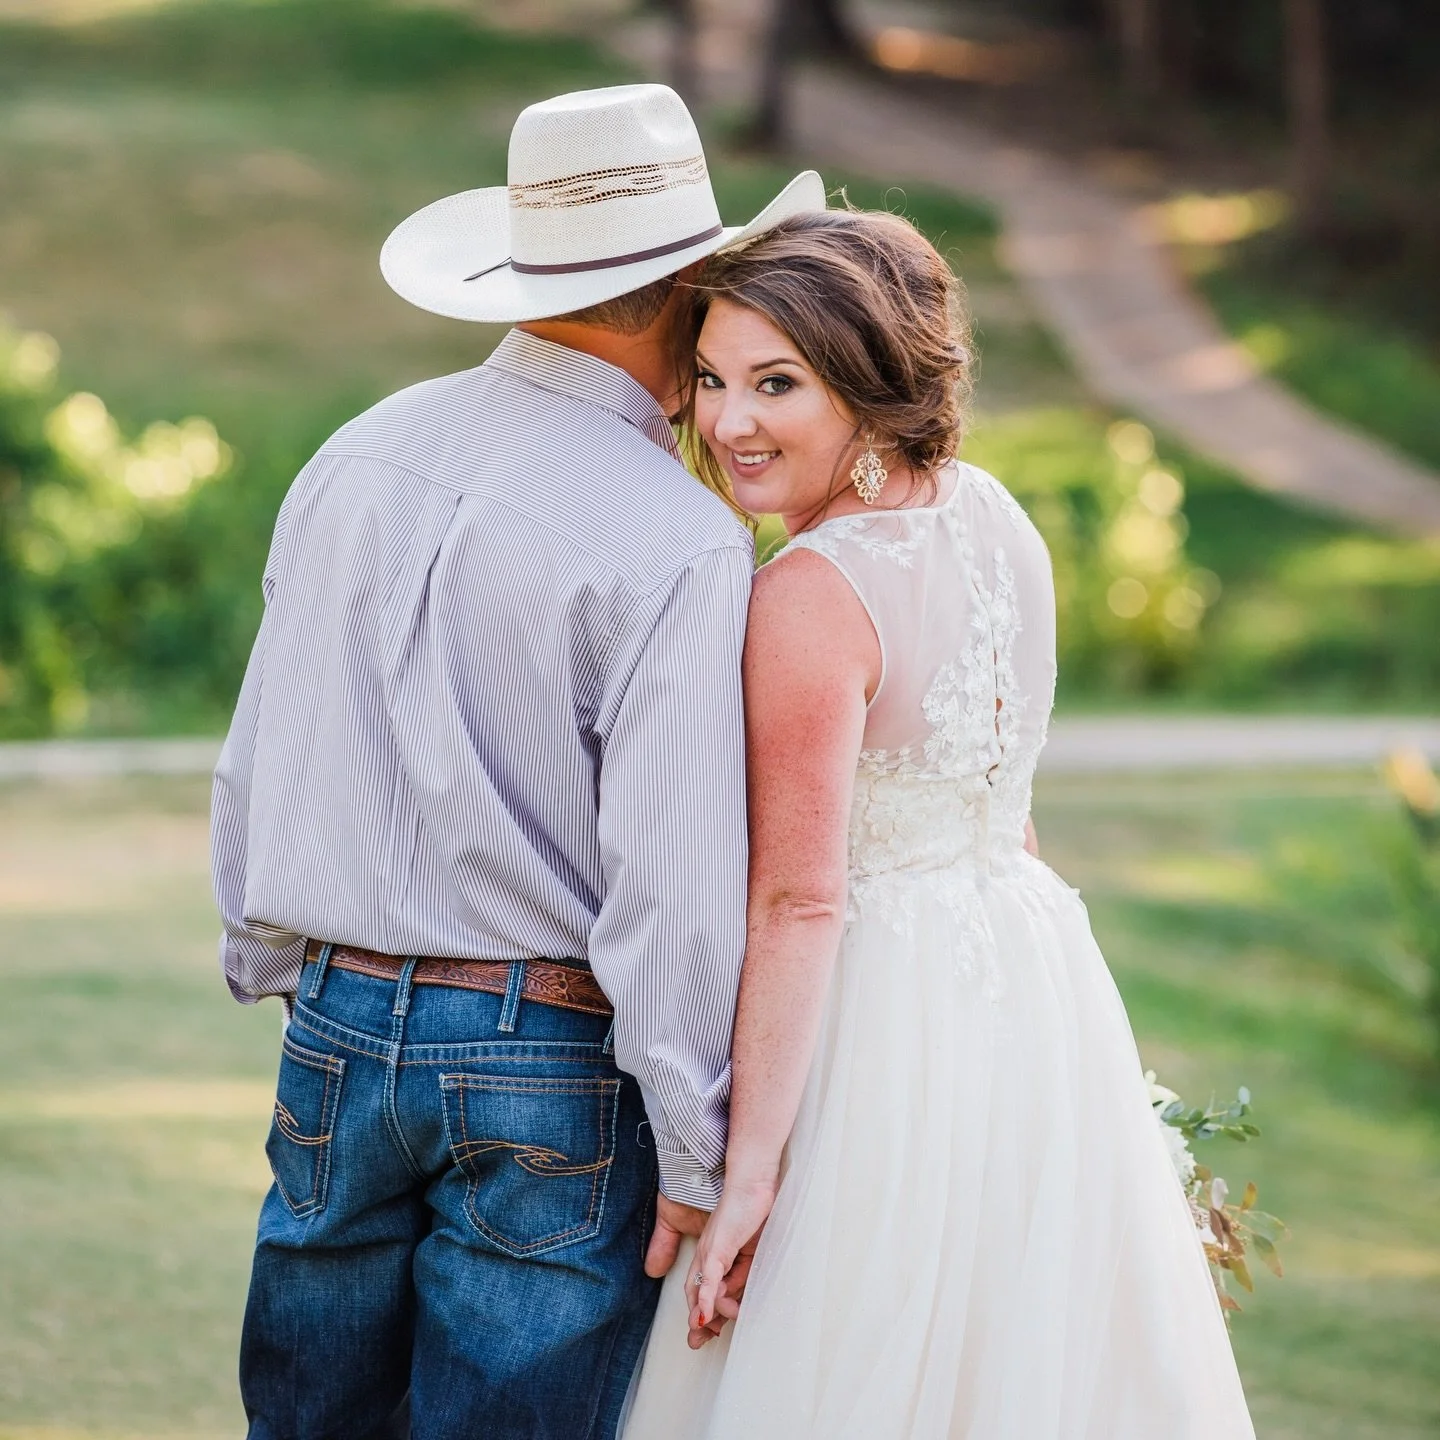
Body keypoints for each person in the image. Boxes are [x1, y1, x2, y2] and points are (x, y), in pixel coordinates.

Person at [209, 82, 824, 1440]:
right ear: (686, 292)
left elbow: (266, 743)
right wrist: (694, 1143)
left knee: (305, 1423)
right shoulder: (679, 538)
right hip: (541, 1049)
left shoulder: (356, 453)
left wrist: (264, 953)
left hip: (335, 1023)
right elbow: (672, 884)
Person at [621, 209, 1257, 1438]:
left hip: (879, 1016)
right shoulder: (999, 519)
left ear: (867, 388)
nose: (727, 420)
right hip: (1031, 987)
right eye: (708, 378)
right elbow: (1000, 797)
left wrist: (743, 1172)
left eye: (774, 384)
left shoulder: (807, 597)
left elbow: (800, 900)